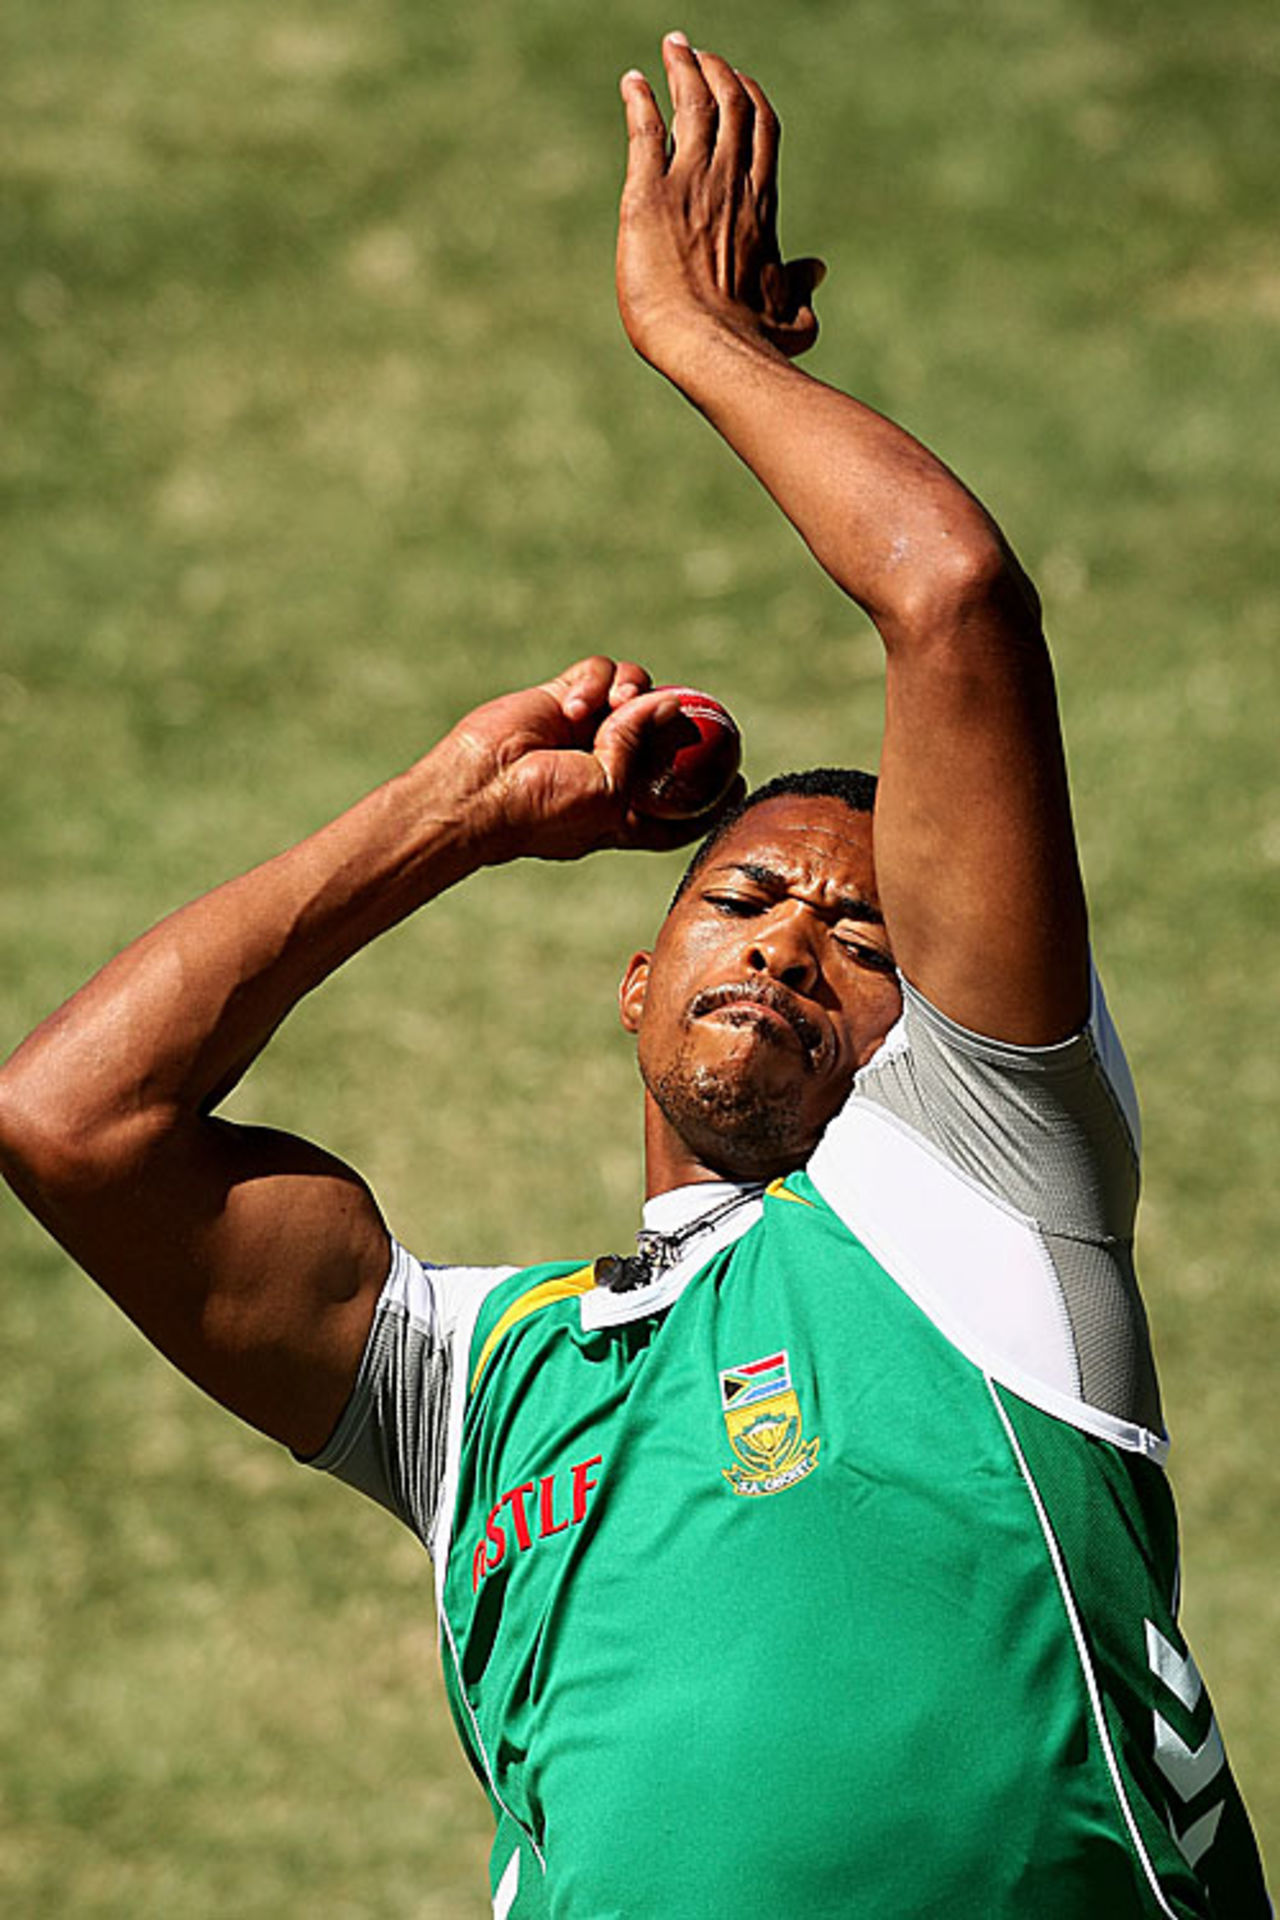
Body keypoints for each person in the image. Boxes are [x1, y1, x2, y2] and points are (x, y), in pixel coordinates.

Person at [0, 32, 1269, 1920]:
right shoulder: (475, 1381)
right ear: (634, 978)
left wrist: (702, 341)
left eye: (866, 937)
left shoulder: (988, 1196)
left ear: (945, 1032)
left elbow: (952, 602)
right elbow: (68, 1120)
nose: (792, 938)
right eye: (747, 894)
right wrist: (451, 809)